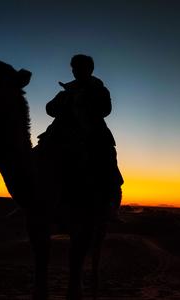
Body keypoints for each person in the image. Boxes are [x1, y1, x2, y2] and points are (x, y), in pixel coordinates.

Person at [38, 54, 123, 214]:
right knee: (38, 155)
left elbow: (106, 109)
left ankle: (111, 207)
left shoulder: (100, 90)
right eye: (75, 68)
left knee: (107, 160)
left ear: (90, 69)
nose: (76, 71)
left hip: (92, 132)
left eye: (81, 67)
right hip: (61, 131)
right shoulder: (66, 90)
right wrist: (61, 103)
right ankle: (30, 202)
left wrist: (86, 104)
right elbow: (50, 109)